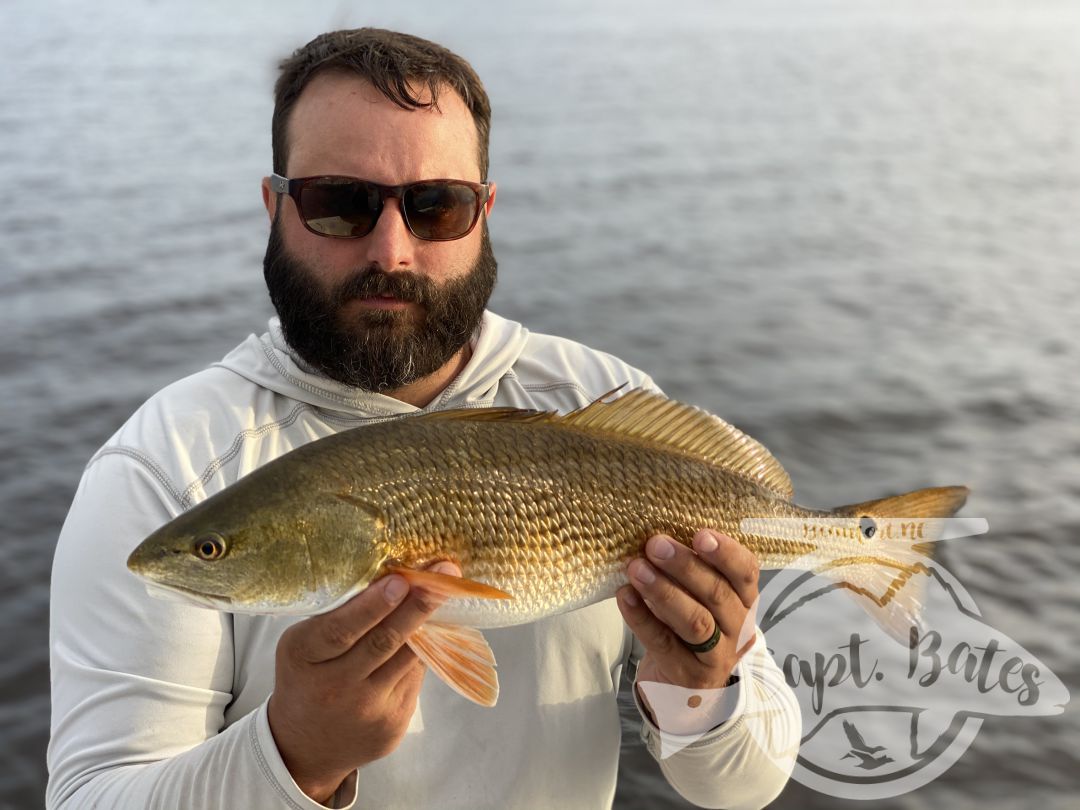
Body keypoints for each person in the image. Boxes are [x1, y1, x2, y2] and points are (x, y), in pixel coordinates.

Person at [47, 28, 800, 810]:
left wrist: (702, 686)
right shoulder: (163, 467)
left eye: (436, 206)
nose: (391, 249)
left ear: (485, 212)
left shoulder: (603, 410)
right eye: (339, 204)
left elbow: (745, 786)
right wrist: (292, 757)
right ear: (275, 208)